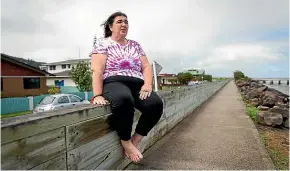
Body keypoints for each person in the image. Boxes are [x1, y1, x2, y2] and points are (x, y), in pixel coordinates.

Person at [90, 11, 164, 163]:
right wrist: (97, 95)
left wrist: (147, 84)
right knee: (124, 100)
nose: (124, 24)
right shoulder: (102, 44)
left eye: (126, 21)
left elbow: (146, 67)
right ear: (110, 26)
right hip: (114, 82)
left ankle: (134, 140)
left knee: (155, 104)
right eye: (119, 21)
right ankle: (125, 141)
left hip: (137, 84)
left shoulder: (135, 45)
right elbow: (97, 70)